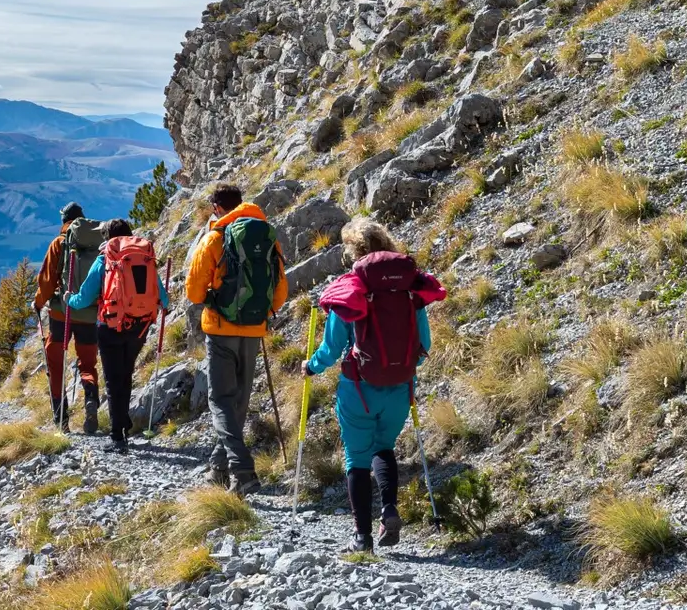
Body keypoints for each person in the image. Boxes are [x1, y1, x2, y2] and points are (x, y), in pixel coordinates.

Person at [304, 217, 446, 553]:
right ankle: (389, 510)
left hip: (359, 389)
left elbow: (332, 348)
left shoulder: (351, 289)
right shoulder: (411, 288)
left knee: (357, 458)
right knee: (384, 448)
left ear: (354, 251)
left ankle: (362, 538)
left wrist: (310, 366)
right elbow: (424, 345)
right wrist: (399, 368)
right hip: (400, 388)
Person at [186, 184, 288, 495]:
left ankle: (242, 470)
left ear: (217, 208)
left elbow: (193, 292)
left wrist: (215, 300)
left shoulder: (215, 238)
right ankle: (219, 468)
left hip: (220, 329)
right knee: (239, 401)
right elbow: (280, 291)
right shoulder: (266, 235)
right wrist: (258, 310)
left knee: (220, 401)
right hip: (254, 329)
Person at [66, 218, 170, 452]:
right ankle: (123, 422)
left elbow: (84, 298)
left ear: (107, 237)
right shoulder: (143, 257)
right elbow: (163, 297)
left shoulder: (105, 258)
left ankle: (117, 437)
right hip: (140, 325)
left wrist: (68, 299)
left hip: (111, 325)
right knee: (125, 374)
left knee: (113, 380)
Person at [33, 202, 104, 432]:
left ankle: (61, 420)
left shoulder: (59, 243)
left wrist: (38, 303)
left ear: (64, 220)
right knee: (88, 363)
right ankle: (90, 398)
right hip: (89, 314)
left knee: (56, 364)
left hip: (61, 315)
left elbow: (47, 281)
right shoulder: (97, 244)